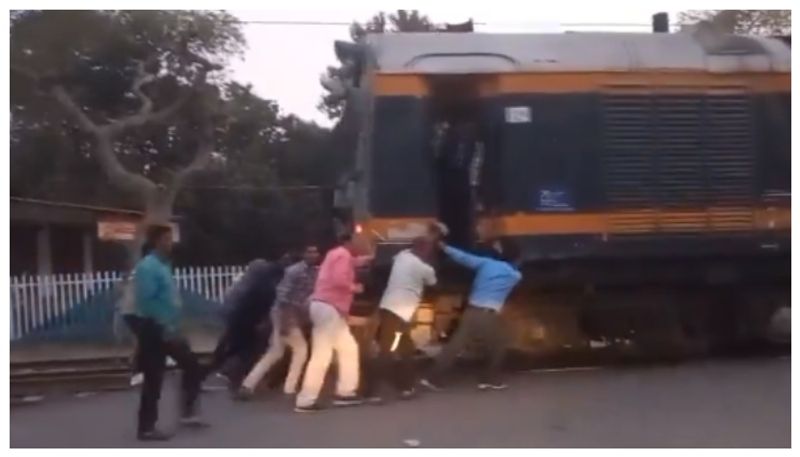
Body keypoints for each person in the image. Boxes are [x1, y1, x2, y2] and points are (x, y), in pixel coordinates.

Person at [131, 224, 207, 441]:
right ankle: (146, 428)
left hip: (169, 327)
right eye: (166, 239)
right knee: (153, 378)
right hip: (155, 327)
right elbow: (147, 301)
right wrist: (163, 325)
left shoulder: (163, 266)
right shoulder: (148, 267)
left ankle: (188, 411)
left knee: (192, 366)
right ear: (156, 241)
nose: (170, 243)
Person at [420, 238, 522, 392]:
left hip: (472, 310)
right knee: (499, 345)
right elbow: (512, 266)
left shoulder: (486, 264)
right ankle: (489, 379)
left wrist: (445, 247)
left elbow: (463, 257)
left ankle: (431, 378)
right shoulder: (514, 276)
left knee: (455, 346)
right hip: (488, 315)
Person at [294, 233, 373, 413]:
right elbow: (339, 280)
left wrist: (369, 258)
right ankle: (306, 400)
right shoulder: (343, 256)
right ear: (349, 242)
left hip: (327, 308)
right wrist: (355, 287)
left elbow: (354, 262)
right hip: (329, 308)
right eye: (358, 241)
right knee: (322, 354)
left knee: (349, 348)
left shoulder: (336, 254)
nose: (361, 243)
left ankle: (346, 392)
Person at [237, 244, 321, 399]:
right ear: (303, 254)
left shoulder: (315, 272)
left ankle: (248, 384)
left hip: (291, 314)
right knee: (301, 349)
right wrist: (284, 322)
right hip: (283, 313)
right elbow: (282, 297)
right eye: (310, 251)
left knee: (275, 351)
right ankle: (290, 388)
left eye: (316, 252)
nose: (313, 255)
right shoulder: (294, 271)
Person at [364, 236, 437, 402]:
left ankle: (406, 387)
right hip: (399, 313)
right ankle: (372, 392)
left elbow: (397, 255)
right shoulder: (424, 268)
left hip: (389, 307)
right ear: (425, 250)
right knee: (387, 351)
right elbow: (432, 282)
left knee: (406, 349)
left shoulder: (402, 256)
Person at [210, 257, 287, 390]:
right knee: (246, 349)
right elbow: (260, 307)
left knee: (232, 343)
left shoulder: (246, 282)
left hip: (235, 314)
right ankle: (231, 373)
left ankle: (219, 367)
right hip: (243, 318)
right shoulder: (262, 287)